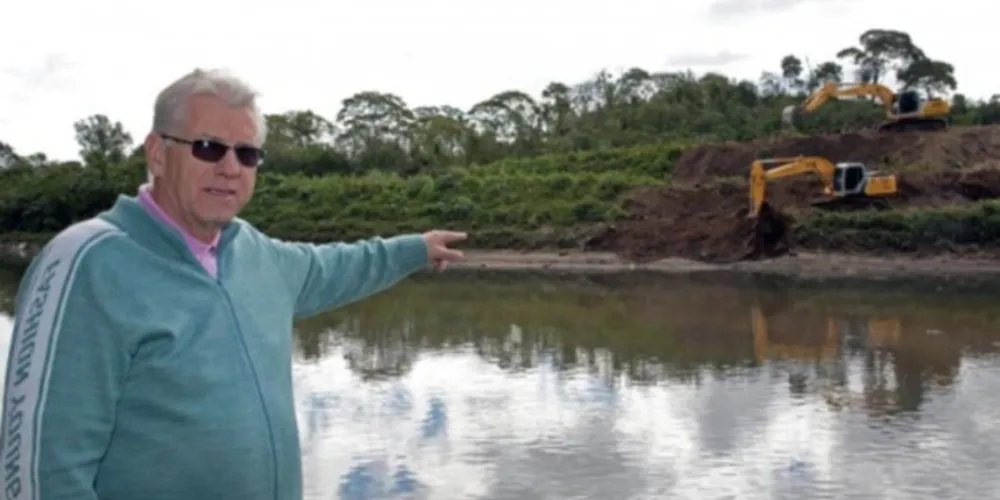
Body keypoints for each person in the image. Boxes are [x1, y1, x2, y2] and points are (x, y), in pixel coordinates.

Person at [0, 68, 467, 500]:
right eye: (208, 147)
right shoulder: (87, 263)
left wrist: (415, 249)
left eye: (247, 154)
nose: (230, 167)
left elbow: (339, 266)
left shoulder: (257, 255)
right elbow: (38, 472)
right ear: (158, 154)